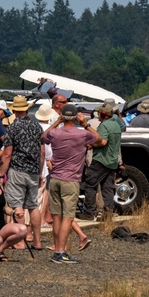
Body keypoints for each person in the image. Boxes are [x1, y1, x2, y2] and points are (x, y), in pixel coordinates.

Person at [47, 104, 96, 264]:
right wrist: (85, 124)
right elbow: (99, 139)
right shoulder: (82, 134)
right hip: (71, 179)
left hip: (54, 178)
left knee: (56, 217)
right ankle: (61, 252)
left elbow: (42, 137)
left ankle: (58, 249)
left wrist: (56, 123)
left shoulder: (55, 133)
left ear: (62, 116)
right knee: (68, 217)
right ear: (75, 117)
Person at [0, 95, 46, 253]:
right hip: (33, 170)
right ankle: (37, 241)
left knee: (16, 205)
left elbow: (7, 154)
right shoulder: (37, 126)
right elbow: (42, 152)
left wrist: (1, 173)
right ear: (26, 110)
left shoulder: (12, 128)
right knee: (33, 206)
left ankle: (19, 242)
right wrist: (39, 173)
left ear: (14, 110)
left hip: (17, 170)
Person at [82, 98, 124, 218]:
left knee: (90, 186)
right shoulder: (116, 125)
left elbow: (103, 142)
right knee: (108, 188)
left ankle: (88, 213)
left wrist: (91, 146)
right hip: (112, 161)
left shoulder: (104, 125)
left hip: (101, 159)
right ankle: (108, 213)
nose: (98, 114)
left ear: (103, 114)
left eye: (99, 113)